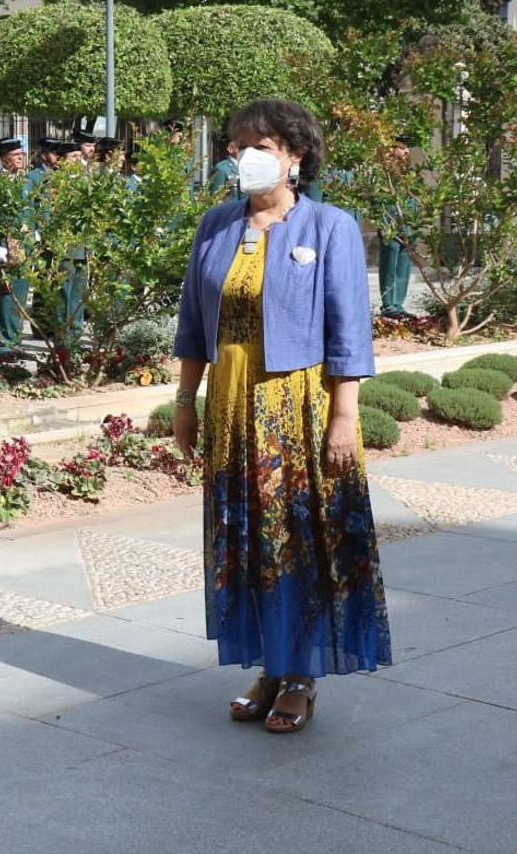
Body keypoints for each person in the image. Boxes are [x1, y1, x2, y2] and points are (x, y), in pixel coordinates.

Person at [171, 98, 390, 735]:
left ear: (295, 156)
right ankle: (271, 667)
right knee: (246, 541)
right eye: (238, 145)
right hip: (231, 407)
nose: (246, 156)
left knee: (295, 540)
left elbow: (349, 329)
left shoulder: (329, 227)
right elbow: (193, 324)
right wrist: (185, 402)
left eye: (261, 146)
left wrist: (344, 416)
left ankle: (300, 676)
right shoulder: (216, 224)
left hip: (297, 408)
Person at [0, 136, 32, 362]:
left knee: (20, 298)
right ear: (4, 158)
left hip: (24, 247)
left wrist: (35, 232)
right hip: (4, 247)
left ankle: (15, 342)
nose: (20, 158)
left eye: (21, 154)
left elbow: (34, 210)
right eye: (15, 155)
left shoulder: (26, 181)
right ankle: (3, 347)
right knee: (5, 299)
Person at [378, 136, 416, 318]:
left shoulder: (409, 172)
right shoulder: (383, 173)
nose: (406, 151)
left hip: (408, 225)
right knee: (389, 266)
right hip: (390, 225)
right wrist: (384, 225)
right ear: (391, 149)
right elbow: (377, 200)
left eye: (407, 147)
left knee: (403, 266)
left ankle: (399, 305)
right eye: (402, 147)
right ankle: (389, 306)